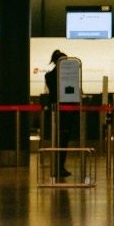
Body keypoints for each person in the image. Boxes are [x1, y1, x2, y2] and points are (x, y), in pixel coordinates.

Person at [44, 50, 73, 178]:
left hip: (59, 111)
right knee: (61, 140)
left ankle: (60, 166)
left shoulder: (50, 76)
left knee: (61, 140)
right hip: (61, 112)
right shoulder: (54, 76)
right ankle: (58, 166)